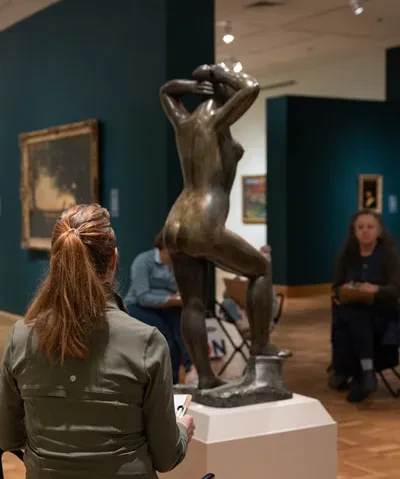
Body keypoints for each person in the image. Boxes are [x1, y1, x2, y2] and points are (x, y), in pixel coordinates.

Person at [0, 204, 195, 478]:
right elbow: (166, 457)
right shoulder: (147, 343)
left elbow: (8, 437)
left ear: (56, 262)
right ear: (114, 261)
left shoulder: (21, 336)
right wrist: (182, 428)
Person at [160, 63, 290, 405]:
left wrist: (189, 83)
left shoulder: (184, 123)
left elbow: (166, 92)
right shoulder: (214, 119)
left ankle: (205, 377)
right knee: (260, 269)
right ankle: (261, 352)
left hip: (175, 219)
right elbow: (252, 86)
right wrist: (218, 73)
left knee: (193, 301)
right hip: (204, 217)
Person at [330, 208, 400, 402]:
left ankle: (362, 376)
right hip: (353, 315)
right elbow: (335, 288)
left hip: (384, 316)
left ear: (379, 231)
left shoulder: (389, 255)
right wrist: (346, 289)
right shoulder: (347, 255)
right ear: (353, 231)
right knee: (355, 314)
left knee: (357, 316)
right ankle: (366, 373)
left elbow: (396, 289)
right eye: (360, 227)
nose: (365, 231)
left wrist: (375, 290)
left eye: (370, 227)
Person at [124, 231, 193, 385]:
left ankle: (189, 371)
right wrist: (170, 299)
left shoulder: (179, 264)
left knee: (185, 329)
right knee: (165, 337)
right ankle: (166, 381)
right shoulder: (143, 261)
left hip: (169, 306)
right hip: (139, 306)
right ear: (162, 248)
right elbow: (142, 296)